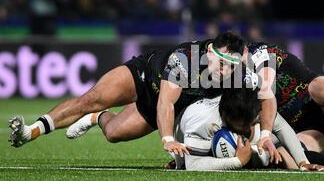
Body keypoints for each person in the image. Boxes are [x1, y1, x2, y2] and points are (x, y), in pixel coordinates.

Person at [9, 33, 281, 159]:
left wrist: (266, 133)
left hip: (171, 107)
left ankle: (98, 118)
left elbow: (267, 97)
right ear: (211, 52)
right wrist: (166, 139)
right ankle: (32, 131)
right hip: (145, 78)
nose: (225, 72)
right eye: (221, 64)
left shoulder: (237, 72)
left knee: (113, 134)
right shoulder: (185, 60)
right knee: (90, 98)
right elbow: (166, 101)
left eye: (231, 67)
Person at [173, 87, 324, 171]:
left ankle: (264, 155)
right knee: (263, 155)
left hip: (224, 133)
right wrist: (237, 161)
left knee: (268, 142)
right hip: (194, 144)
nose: (247, 129)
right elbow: (192, 165)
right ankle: (262, 157)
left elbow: (280, 127)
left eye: (251, 123)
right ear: (225, 117)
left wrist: (302, 162)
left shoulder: (251, 104)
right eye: (242, 126)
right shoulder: (203, 122)